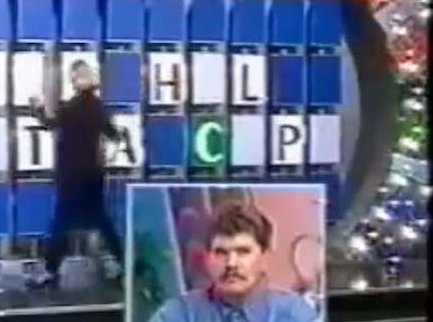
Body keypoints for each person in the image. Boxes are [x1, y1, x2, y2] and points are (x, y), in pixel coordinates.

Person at [26, 60, 124, 289]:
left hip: (72, 175)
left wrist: (37, 108)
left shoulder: (72, 107)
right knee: (102, 221)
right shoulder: (98, 107)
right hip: (93, 175)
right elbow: (114, 135)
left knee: (61, 223)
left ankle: (50, 270)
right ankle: (123, 262)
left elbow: (50, 123)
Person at [147, 201, 319, 322]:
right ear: (207, 259)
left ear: (265, 258)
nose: (231, 263)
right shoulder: (178, 315)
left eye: (243, 252)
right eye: (221, 252)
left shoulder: (295, 315)